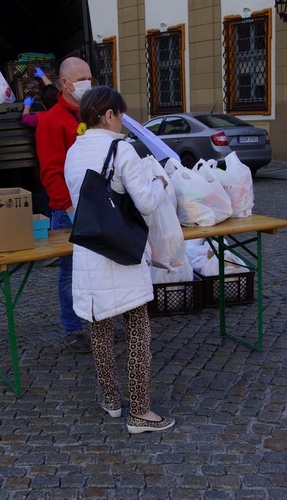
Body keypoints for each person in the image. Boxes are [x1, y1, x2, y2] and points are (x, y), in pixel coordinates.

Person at [64, 86, 174, 434]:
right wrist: (160, 180)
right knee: (138, 329)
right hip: (122, 253)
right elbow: (145, 203)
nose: (123, 122)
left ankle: (111, 400)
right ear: (109, 114)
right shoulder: (122, 149)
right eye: (121, 115)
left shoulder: (73, 151)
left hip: (88, 252)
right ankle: (140, 412)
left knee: (99, 329)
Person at [35, 56, 94, 353]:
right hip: (69, 210)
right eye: (81, 77)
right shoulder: (51, 120)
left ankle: (101, 322)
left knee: (101, 268)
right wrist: (68, 209)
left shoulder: (94, 114)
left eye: (90, 77)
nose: (87, 82)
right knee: (70, 271)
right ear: (65, 83)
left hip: (97, 206)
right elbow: (51, 171)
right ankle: (73, 328)